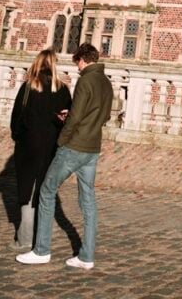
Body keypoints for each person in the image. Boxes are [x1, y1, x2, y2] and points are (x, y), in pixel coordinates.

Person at [16, 43, 114, 271]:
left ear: (82, 59)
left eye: (77, 63)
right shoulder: (106, 82)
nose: (77, 68)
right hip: (92, 148)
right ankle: (87, 256)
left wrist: (62, 140)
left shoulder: (86, 80)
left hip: (74, 147)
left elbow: (76, 117)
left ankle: (41, 250)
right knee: (88, 201)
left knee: (46, 191)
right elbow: (105, 114)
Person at [10, 49, 71, 251]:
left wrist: (19, 137)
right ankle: (41, 237)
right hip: (50, 146)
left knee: (27, 190)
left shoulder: (28, 87)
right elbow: (67, 119)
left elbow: (16, 118)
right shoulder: (62, 89)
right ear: (54, 65)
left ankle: (25, 238)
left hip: (28, 145)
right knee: (45, 190)